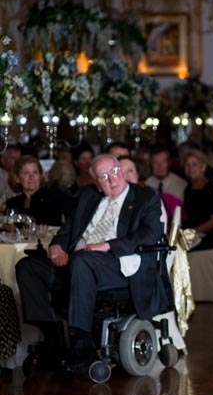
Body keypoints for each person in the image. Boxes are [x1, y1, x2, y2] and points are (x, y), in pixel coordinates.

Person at [15, 154, 167, 369]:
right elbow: (67, 231)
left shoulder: (144, 197)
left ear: (122, 171)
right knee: (27, 267)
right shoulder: (88, 196)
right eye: (104, 177)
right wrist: (56, 246)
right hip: (77, 262)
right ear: (96, 182)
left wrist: (108, 245)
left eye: (114, 172)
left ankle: (82, 341)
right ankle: (52, 334)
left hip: (116, 266)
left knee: (82, 261)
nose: (112, 180)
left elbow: (151, 234)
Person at [4, 156, 73, 226]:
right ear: (17, 178)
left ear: (40, 176)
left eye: (35, 172)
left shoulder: (54, 197)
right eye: (26, 173)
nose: (31, 177)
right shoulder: (12, 204)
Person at [181, 149, 213, 250]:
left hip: (206, 236)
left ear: (203, 167)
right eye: (187, 165)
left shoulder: (209, 189)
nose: (190, 168)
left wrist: (193, 231)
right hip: (192, 234)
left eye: (195, 164)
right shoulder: (189, 188)